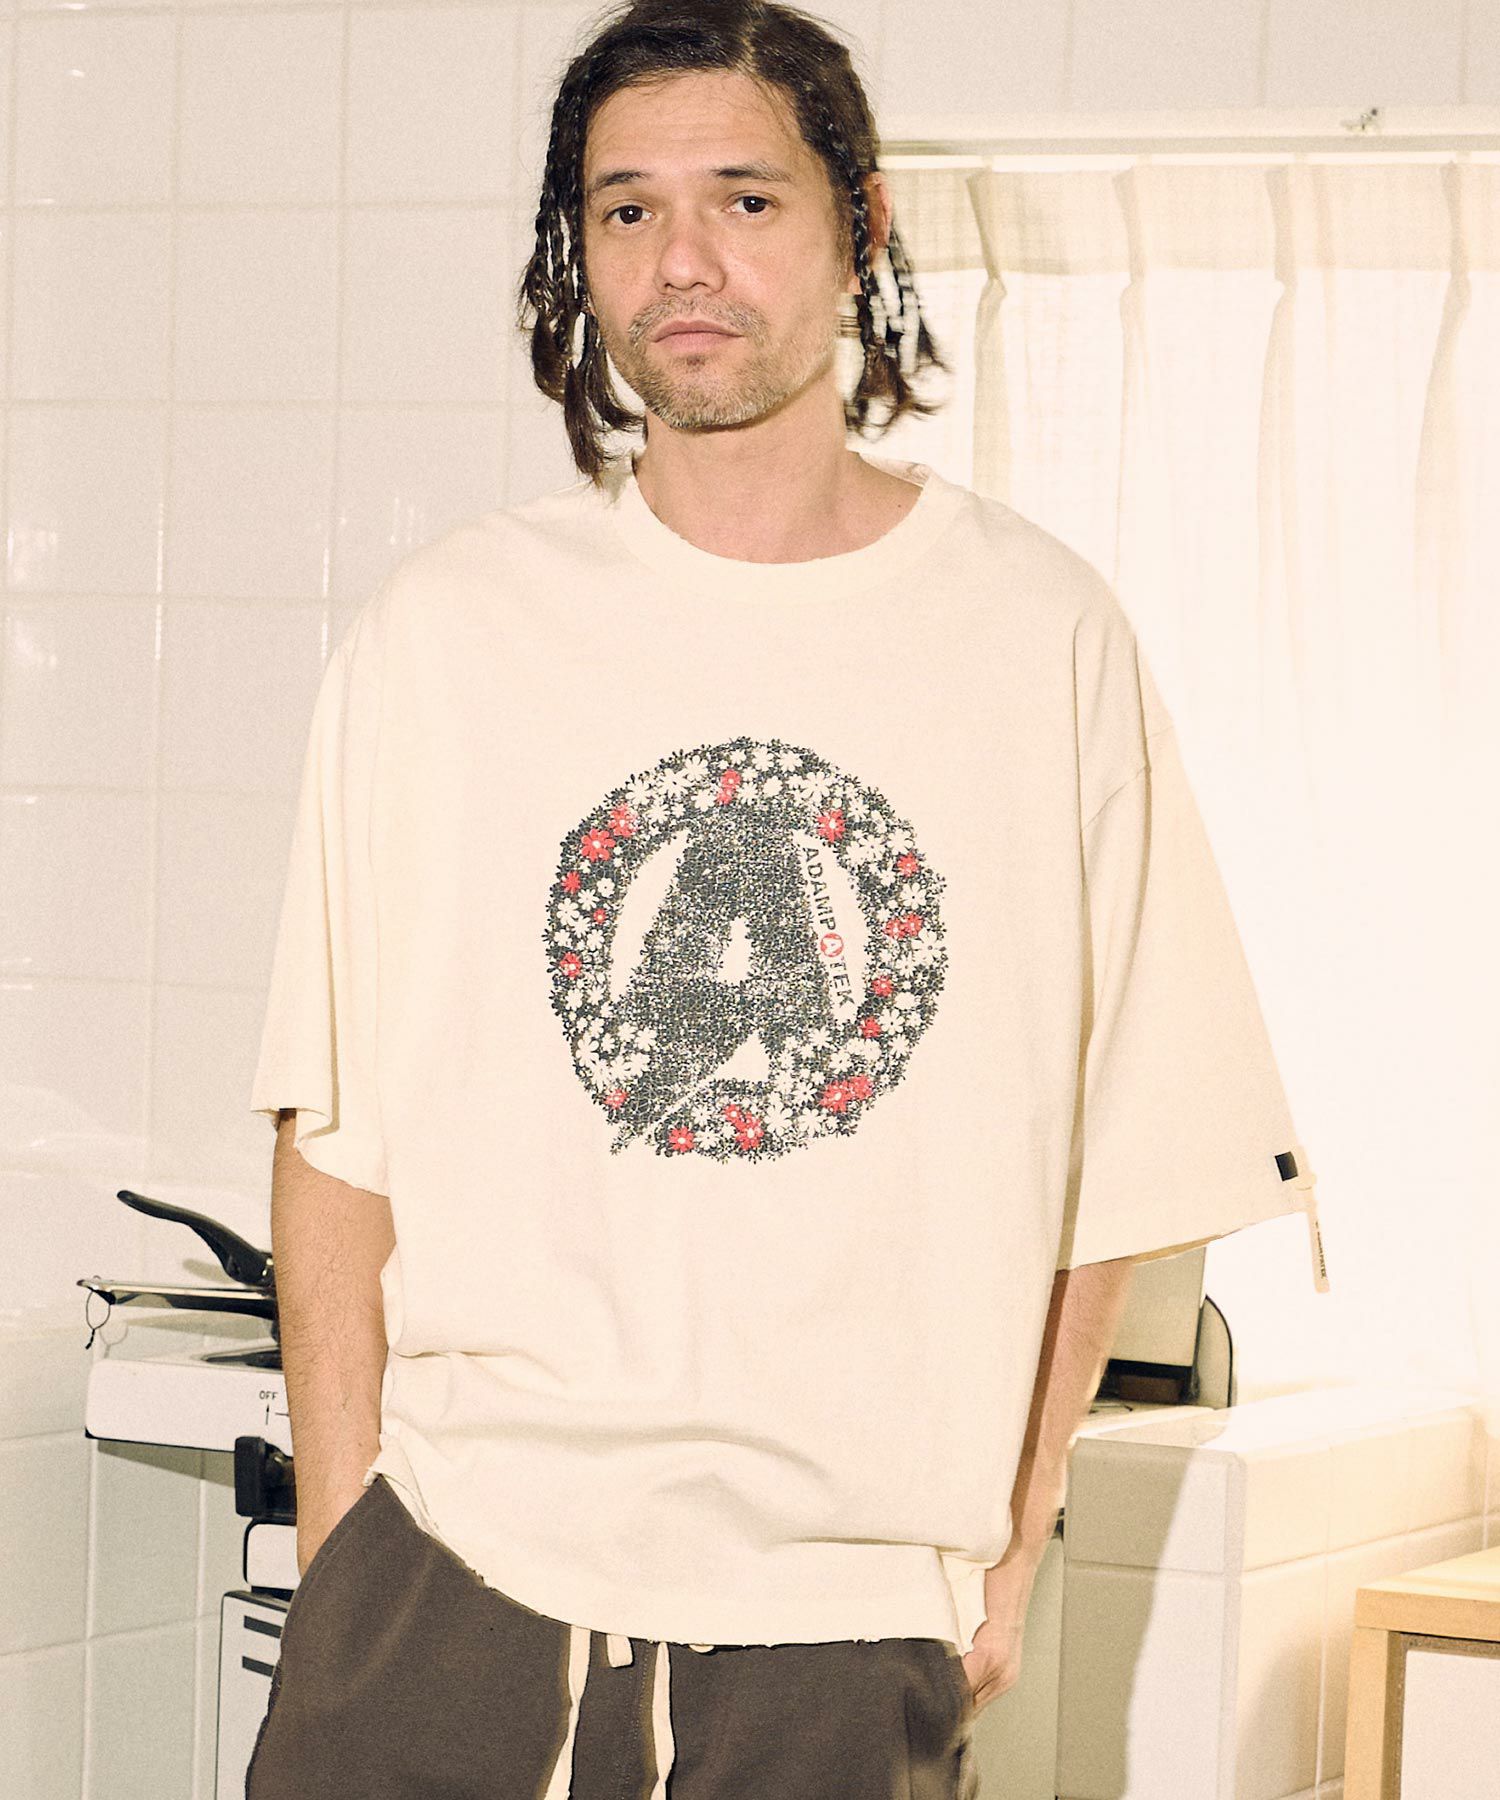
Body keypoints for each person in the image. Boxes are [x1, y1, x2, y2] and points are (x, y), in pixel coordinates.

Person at [243, 3, 1328, 1796]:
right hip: (449, 1585)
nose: (683, 261)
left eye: (745, 200)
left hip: (839, 1634)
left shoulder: (1037, 640)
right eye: (627, 209)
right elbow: (332, 1135)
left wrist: (1015, 1536)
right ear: (578, 250)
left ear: (858, 227)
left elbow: (1122, 1159)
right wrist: (346, 1533)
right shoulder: (446, 638)